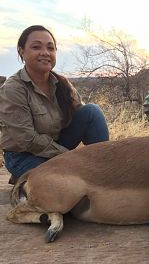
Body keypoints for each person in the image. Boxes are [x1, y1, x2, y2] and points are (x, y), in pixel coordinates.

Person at [0, 25, 109, 184]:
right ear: (22, 51)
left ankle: (105, 165)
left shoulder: (61, 83)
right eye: (36, 47)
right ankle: (25, 178)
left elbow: (82, 116)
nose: (45, 52)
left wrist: (77, 157)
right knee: (71, 183)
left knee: (92, 111)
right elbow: (26, 140)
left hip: (56, 145)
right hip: (23, 156)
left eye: (50, 48)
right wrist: (70, 157)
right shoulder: (13, 89)